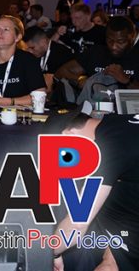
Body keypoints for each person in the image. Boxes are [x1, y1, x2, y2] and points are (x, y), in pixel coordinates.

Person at [51, 112, 139, 271]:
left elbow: (77, 224)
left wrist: (50, 253)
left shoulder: (108, 146)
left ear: (68, 134)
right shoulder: (116, 121)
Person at [55, 16, 139, 90]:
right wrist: (80, 80)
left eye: (121, 42)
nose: (114, 46)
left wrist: (127, 80)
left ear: (132, 37)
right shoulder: (96, 52)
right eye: (110, 40)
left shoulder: (136, 56)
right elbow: (61, 72)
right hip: (95, 105)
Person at [23, 26, 74, 94]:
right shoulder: (33, 55)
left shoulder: (62, 53)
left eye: (32, 48)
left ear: (43, 42)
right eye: (28, 48)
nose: (30, 51)